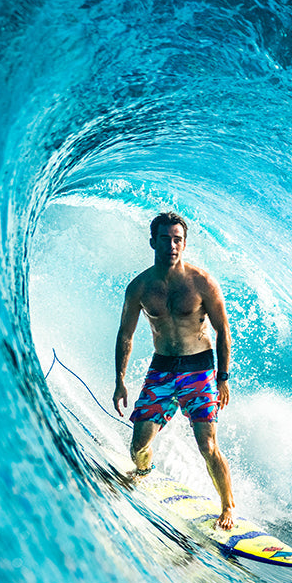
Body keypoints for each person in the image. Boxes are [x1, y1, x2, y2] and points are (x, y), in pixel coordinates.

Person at [112, 211, 236, 529]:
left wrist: (222, 377)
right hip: (162, 369)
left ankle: (228, 508)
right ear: (153, 241)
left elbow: (223, 331)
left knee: (207, 445)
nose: (172, 245)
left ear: (185, 243)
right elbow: (125, 334)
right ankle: (143, 473)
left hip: (199, 371)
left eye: (177, 239)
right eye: (165, 239)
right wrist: (120, 380)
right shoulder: (139, 288)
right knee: (138, 445)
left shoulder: (202, 283)